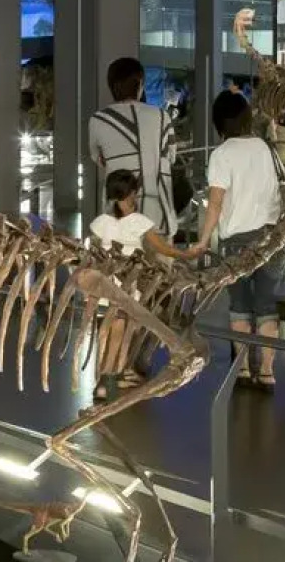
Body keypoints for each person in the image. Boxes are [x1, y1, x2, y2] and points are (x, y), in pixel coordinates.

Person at [183, 90, 285, 389]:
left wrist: (203, 240)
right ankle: (267, 371)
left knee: (239, 305)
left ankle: (241, 369)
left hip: (238, 241)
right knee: (267, 306)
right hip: (271, 238)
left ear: (219, 123)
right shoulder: (265, 148)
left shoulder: (222, 154)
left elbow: (215, 202)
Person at [88, 169, 187, 401]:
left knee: (104, 332)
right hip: (125, 289)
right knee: (118, 333)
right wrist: (189, 254)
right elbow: (163, 249)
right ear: (133, 193)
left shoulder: (100, 222)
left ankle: (103, 380)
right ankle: (109, 377)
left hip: (102, 288)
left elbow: (92, 252)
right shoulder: (139, 222)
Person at [88, 58, 183, 232]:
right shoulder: (162, 117)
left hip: (118, 214)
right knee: (158, 258)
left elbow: (99, 159)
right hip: (158, 214)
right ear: (140, 84)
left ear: (112, 85)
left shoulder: (98, 120)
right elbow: (171, 156)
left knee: (118, 256)